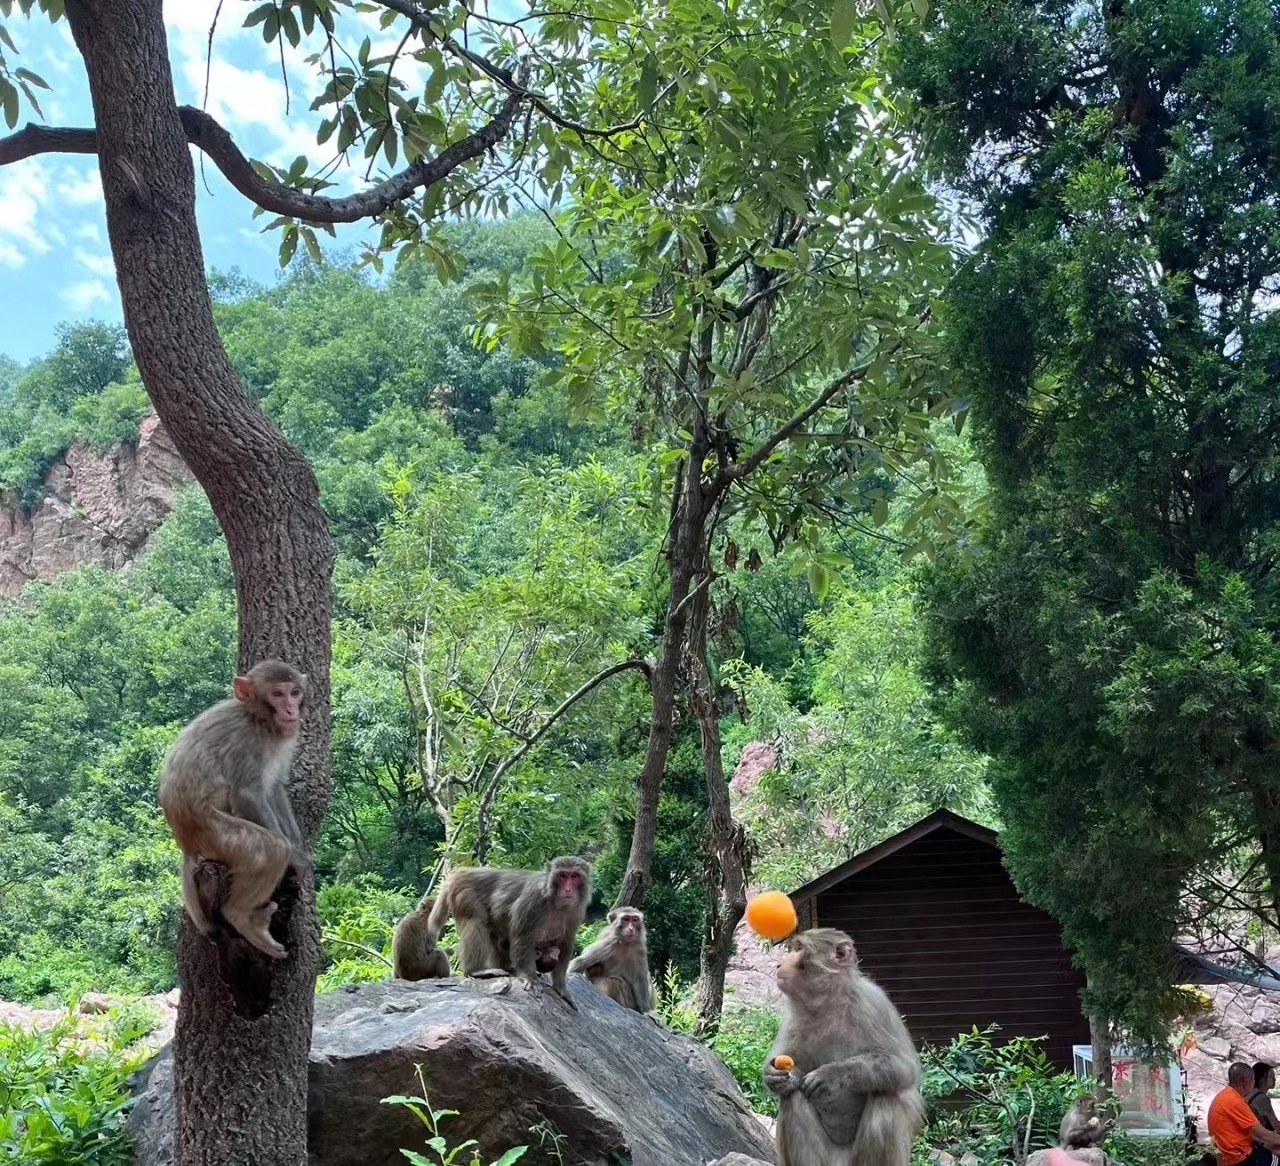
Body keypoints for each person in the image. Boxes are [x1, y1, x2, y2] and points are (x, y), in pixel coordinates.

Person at [1209, 1062, 1280, 1166]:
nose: (1254, 1082)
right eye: (1253, 1079)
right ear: (1246, 1081)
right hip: (1239, 1157)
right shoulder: (1237, 1101)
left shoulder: (1225, 1095)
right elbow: (1263, 1132)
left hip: (1228, 1155)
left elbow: (1253, 1133)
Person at [1250, 1064, 1280, 1135]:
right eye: (1271, 1077)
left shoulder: (1250, 1093)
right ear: (1262, 1079)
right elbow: (1275, 1126)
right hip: (1257, 1138)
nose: (1275, 1079)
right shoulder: (1261, 1098)